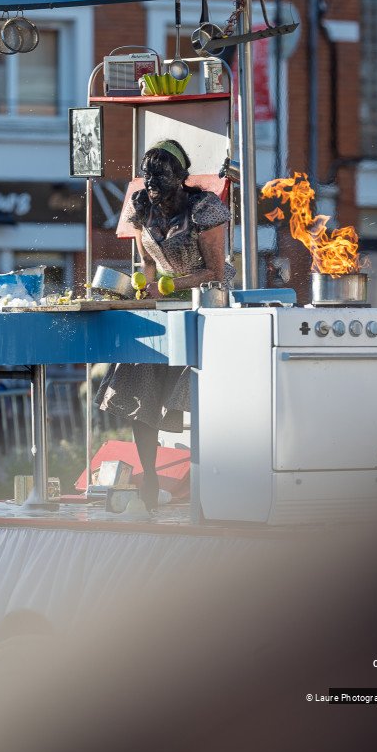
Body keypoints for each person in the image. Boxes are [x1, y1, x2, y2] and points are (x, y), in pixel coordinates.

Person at [95, 139, 233, 510]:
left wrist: (169, 286)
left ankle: (216, 479)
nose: (151, 181)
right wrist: (141, 291)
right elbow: (149, 267)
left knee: (191, 389)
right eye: (147, 173)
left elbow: (216, 271)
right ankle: (149, 474)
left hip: (208, 301)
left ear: (181, 176)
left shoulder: (205, 209)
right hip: (164, 302)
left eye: (160, 173)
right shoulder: (142, 208)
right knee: (136, 376)